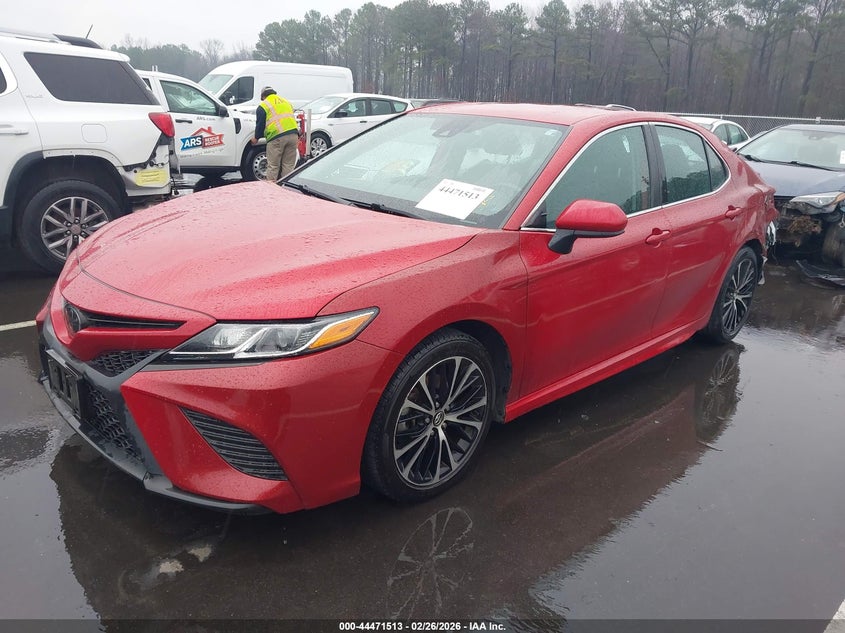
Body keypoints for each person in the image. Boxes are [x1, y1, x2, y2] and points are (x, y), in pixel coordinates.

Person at [251, 86, 300, 182]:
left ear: (263, 96)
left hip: (277, 137)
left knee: (273, 166)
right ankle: (286, 188)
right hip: (293, 135)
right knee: (288, 165)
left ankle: (272, 191)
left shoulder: (263, 106)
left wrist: (256, 138)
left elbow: (260, 125)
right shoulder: (286, 102)